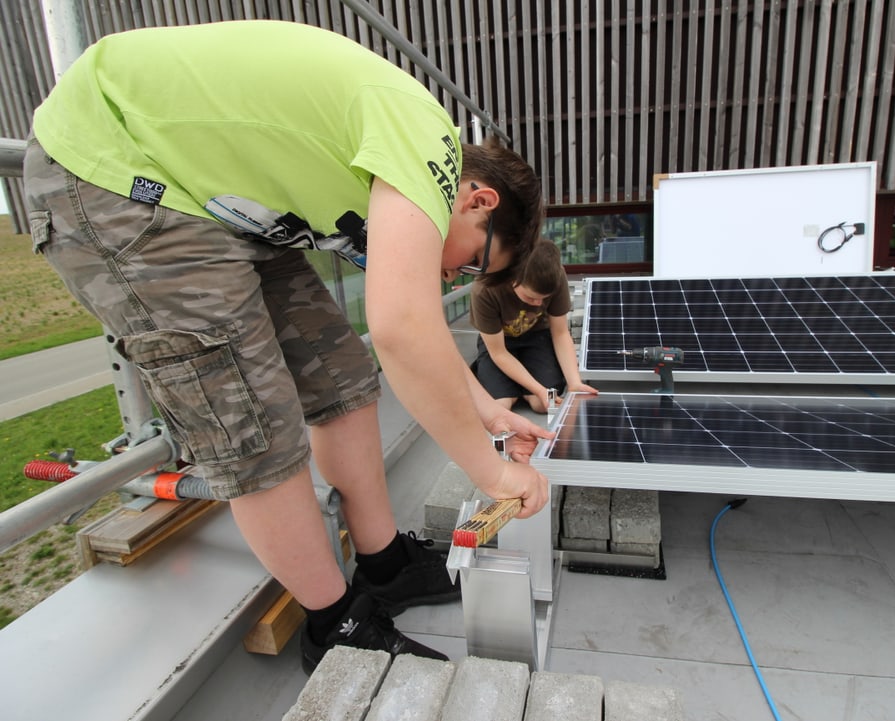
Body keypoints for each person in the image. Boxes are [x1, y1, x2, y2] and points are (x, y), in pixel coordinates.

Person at [22, 20, 553, 674]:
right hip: (116, 170)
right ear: (478, 199)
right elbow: (402, 326)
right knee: (251, 416)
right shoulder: (428, 146)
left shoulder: (402, 164)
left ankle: (383, 562)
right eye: (471, 263)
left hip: (210, 200)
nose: (452, 277)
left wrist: (486, 412)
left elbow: (415, 330)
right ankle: (336, 621)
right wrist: (493, 472)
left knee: (343, 375)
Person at [470, 239, 599, 413]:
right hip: (500, 342)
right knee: (501, 404)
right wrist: (539, 389)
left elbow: (560, 333)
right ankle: (492, 374)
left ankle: (522, 385)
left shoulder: (555, 275)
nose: (538, 303)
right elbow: (499, 353)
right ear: (513, 278)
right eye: (531, 297)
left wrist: (574, 382)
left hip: (537, 336)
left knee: (543, 405)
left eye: (544, 298)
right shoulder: (485, 289)